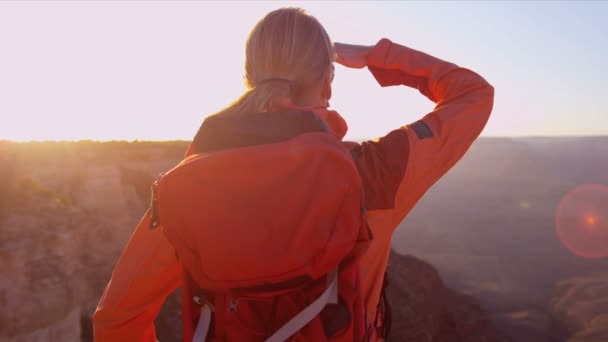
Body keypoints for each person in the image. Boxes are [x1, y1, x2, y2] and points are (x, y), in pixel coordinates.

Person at [93, 7, 494, 342]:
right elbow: (472, 93)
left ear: (249, 77)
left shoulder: (187, 190)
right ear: (328, 83)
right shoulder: (374, 174)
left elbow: (115, 319)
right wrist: (376, 55)